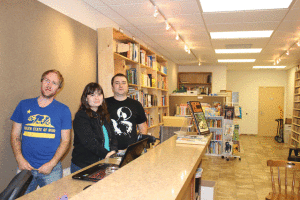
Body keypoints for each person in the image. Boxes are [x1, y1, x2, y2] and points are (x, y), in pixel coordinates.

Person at [10, 69, 72, 194]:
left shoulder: (64, 110)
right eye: (47, 80)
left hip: (52, 169)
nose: (49, 85)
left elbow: (66, 140)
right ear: (41, 82)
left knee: (57, 197)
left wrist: (52, 163)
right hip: (25, 167)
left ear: (58, 88)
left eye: (54, 83)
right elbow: (15, 134)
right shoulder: (24, 105)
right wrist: (19, 158)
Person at [71, 82, 118, 173]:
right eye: (92, 95)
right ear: (86, 98)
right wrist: (107, 153)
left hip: (105, 162)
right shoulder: (81, 116)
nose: (97, 98)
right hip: (85, 166)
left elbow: (113, 136)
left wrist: (113, 151)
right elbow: (89, 142)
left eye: (99, 94)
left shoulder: (104, 114)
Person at [106, 73, 147, 150]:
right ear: (112, 87)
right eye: (117, 83)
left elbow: (143, 127)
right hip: (108, 150)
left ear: (128, 86)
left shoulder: (136, 104)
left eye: (124, 83)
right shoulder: (104, 104)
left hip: (130, 150)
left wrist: (139, 146)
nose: (120, 85)